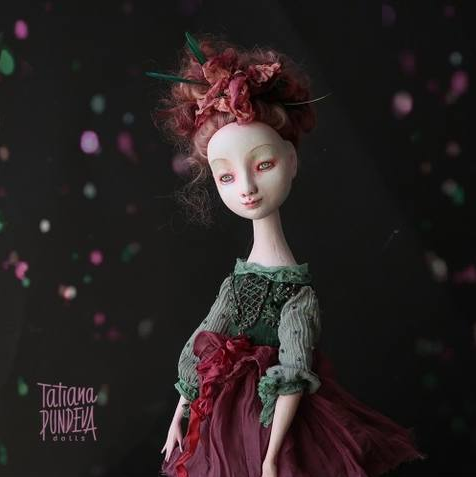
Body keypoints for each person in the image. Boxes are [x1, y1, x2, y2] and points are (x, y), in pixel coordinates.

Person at [148, 32, 427, 477]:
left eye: (263, 165)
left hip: (272, 424)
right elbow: (202, 342)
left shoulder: (298, 295)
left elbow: (294, 371)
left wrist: (271, 456)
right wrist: (179, 415)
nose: (246, 188)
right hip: (223, 424)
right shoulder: (236, 284)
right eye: (226, 177)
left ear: (291, 162)